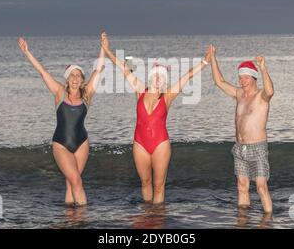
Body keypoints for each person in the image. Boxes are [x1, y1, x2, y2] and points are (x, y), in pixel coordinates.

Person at [101, 32, 212, 204]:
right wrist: (107, 50)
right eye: (156, 75)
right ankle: (147, 217)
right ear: (151, 76)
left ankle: (158, 220)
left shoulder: (167, 97)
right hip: (140, 143)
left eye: (163, 76)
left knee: (159, 185)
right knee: (145, 182)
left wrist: (205, 61)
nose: (159, 78)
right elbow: (123, 68)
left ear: (165, 80)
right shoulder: (140, 90)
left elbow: (187, 76)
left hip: (160, 144)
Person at [18, 35, 105, 206]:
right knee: (76, 181)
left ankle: (71, 219)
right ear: (67, 78)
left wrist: (103, 47)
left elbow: (99, 70)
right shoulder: (59, 92)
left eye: (78, 75)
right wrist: (27, 53)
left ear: (81, 80)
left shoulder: (87, 94)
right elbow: (42, 72)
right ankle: (82, 220)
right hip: (61, 144)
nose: (75, 78)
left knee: (71, 183)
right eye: (72, 75)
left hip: (82, 143)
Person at [209, 45, 274, 213]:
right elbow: (219, 82)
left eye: (246, 77)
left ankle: (268, 221)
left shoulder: (261, 96)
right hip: (239, 148)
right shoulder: (239, 94)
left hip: (257, 147)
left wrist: (263, 68)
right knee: (241, 186)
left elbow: (270, 90)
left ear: (253, 78)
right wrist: (213, 57)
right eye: (240, 78)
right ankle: (243, 220)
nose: (242, 81)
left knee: (261, 187)